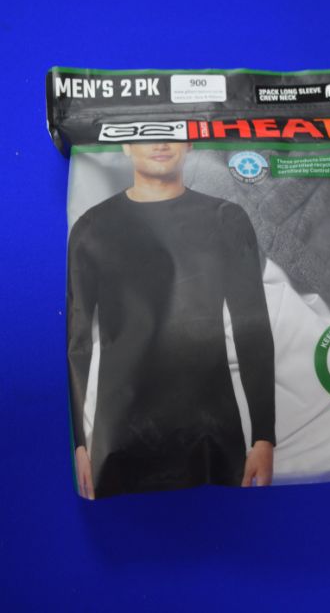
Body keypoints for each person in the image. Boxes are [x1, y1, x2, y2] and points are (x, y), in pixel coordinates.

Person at [68, 141, 276, 499]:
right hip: (120, 442)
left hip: (212, 437)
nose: (161, 143)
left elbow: (251, 327)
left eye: (171, 133)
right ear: (126, 145)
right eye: (147, 134)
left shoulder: (225, 219)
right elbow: (78, 338)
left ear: (189, 143)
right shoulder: (92, 227)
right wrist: (80, 445)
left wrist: (263, 437)